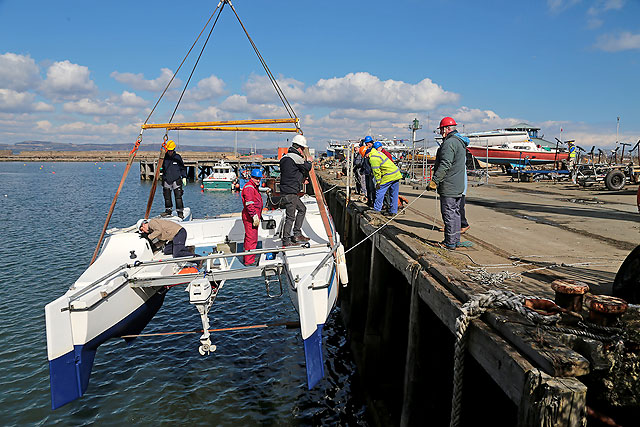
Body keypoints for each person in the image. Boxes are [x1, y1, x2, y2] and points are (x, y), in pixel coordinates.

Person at [428, 117, 470, 250]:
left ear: (447, 129)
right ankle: (455, 240)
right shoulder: (460, 142)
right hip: (458, 185)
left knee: (449, 213)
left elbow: (445, 164)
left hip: (449, 185)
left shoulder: (449, 143)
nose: (440, 133)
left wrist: (435, 181)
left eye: (441, 130)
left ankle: (449, 242)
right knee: (456, 213)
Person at [279, 134, 312, 246]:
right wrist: (309, 161)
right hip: (290, 192)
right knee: (290, 217)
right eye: (302, 149)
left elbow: (292, 172)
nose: (303, 151)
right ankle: (286, 240)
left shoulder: (285, 157)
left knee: (302, 209)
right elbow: (307, 167)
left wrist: (301, 178)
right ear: (299, 148)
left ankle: (297, 233)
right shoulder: (295, 157)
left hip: (287, 190)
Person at [361, 145, 402, 216]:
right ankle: (393, 211)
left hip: (389, 175)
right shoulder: (378, 153)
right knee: (394, 194)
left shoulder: (373, 158)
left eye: (365, 155)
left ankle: (377, 209)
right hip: (396, 174)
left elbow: (376, 172)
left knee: (380, 191)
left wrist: (378, 183)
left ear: (367, 153)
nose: (365, 157)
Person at [241, 168, 264, 265]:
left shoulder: (253, 186)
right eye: (256, 178)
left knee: (251, 238)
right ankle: (249, 261)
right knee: (251, 238)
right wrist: (254, 216)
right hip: (250, 217)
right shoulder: (250, 188)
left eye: (259, 178)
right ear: (251, 177)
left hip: (253, 216)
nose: (258, 180)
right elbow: (249, 204)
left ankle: (248, 258)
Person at [161, 140, 187, 218]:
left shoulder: (177, 157)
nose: (170, 152)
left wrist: (184, 177)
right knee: (167, 196)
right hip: (167, 179)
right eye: (169, 150)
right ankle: (168, 211)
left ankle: (180, 212)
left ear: (174, 149)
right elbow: (161, 166)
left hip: (176, 179)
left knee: (178, 196)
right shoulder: (164, 157)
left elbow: (182, 168)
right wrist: (159, 169)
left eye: (171, 150)